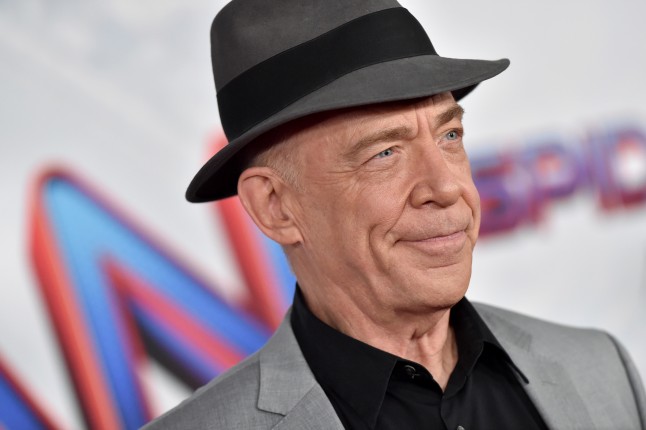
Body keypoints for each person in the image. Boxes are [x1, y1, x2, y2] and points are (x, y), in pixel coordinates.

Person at [144, 0, 646, 429]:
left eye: (450, 135)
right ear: (275, 207)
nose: (447, 188)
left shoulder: (602, 371)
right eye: (384, 152)